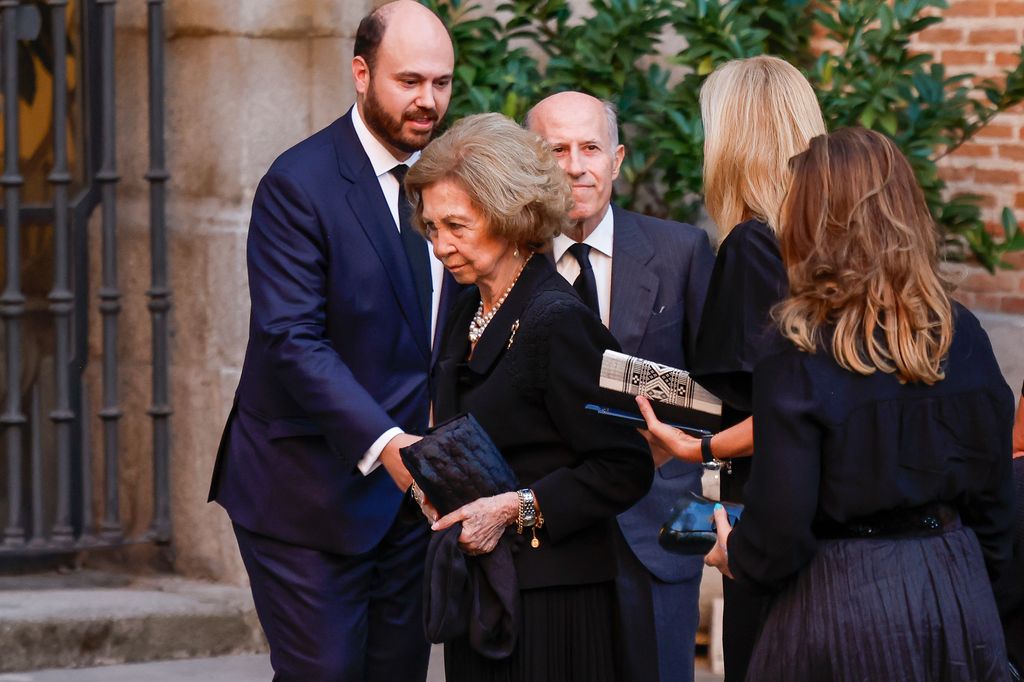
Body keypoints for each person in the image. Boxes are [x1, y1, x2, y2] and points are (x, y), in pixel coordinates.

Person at [705, 127, 1014, 681]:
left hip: (843, 600)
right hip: (954, 584)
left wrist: (739, 555)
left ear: (808, 224)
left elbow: (781, 527)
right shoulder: (961, 333)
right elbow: (995, 494)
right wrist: (968, 588)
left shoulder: (798, 348)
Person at [207, 3, 457, 679]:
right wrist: (388, 445)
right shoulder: (300, 183)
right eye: (409, 81)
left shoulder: (453, 180)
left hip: (412, 503)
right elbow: (292, 339)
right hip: (304, 497)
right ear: (360, 72)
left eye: (441, 82)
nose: (427, 100)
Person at [405, 112, 654, 682]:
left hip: (554, 604)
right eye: (433, 228)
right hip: (489, 590)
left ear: (511, 218)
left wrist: (514, 508)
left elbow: (624, 465)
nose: (442, 246)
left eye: (457, 227)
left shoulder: (559, 320)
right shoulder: (470, 304)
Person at [637, 55, 825, 682]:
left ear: (735, 142)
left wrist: (693, 447)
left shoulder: (754, 244)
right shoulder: (836, 240)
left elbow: (782, 409)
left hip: (769, 519)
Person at [525, 91, 714, 682]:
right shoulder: (507, 259)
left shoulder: (682, 252)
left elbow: (716, 394)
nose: (575, 165)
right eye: (555, 149)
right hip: (548, 532)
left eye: (590, 148)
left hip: (656, 526)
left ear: (618, 159)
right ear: (530, 161)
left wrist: (624, 384)